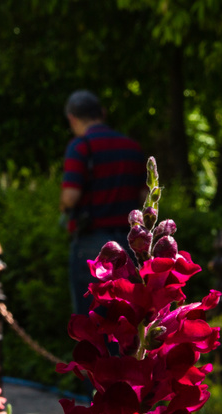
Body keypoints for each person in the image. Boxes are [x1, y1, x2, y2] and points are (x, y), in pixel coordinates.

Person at [59, 90, 145, 315]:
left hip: (92, 241)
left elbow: (71, 197)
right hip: (130, 243)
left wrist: (63, 207)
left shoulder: (80, 147)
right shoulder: (132, 147)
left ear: (72, 118)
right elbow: (145, 199)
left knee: (92, 318)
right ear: (102, 113)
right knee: (127, 315)